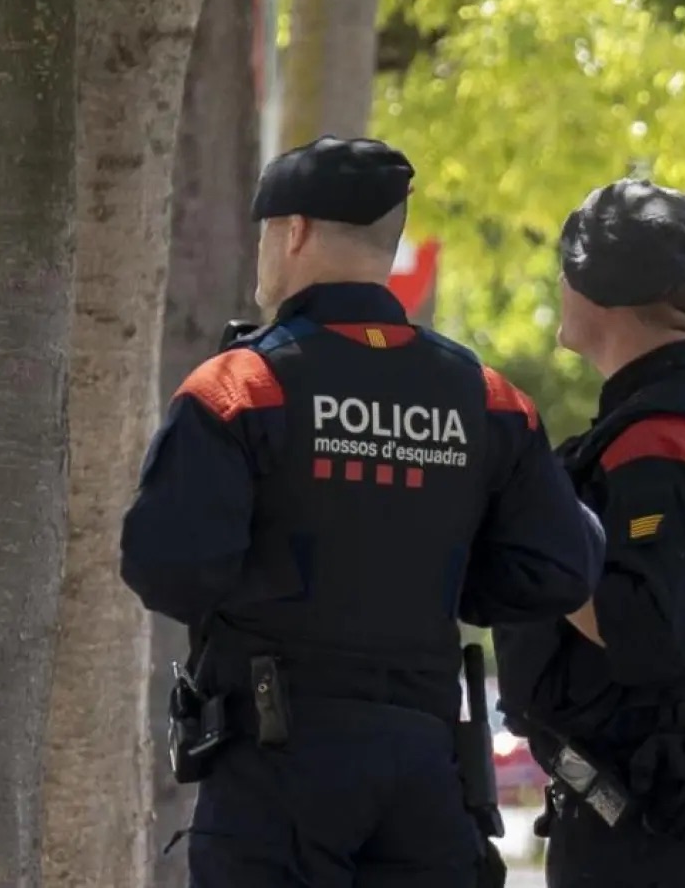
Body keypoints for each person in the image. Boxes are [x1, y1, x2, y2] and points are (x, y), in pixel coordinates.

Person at [119, 135, 604, 888]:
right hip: (427, 771)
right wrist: (447, 583)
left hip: (276, 767)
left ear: (294, 231)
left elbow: (167, 568)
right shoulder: (487, 398)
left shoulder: (240, 388)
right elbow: (561, 568)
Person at [494, 179, 685, 887]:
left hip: (655, 827)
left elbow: (649, 625)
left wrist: (540, 542)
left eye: (568, 268)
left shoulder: (661, 437)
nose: (560, 285)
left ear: (602, 290)